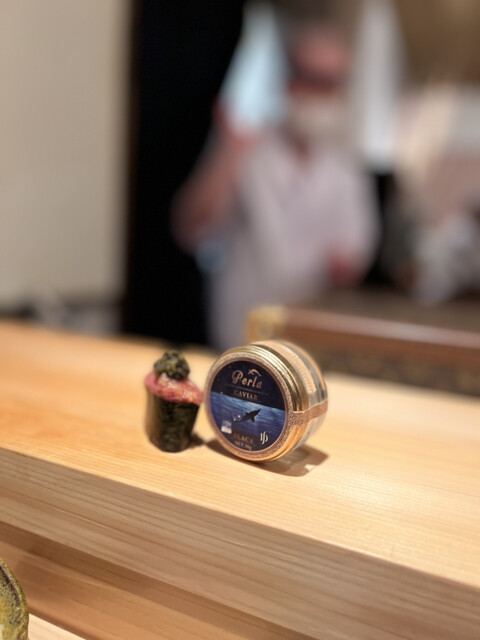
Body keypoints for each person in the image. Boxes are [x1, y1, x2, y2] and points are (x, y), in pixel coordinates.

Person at [174, 20, 379, 350]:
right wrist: (230, 152)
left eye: (331, 83)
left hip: (312, 339)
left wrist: (343, 267)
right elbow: (191, 229)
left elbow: (355, 254)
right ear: (288, 81)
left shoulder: (346, 168)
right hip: (239, 333)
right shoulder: (245, 149)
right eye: (312, 79)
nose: (320, 94)